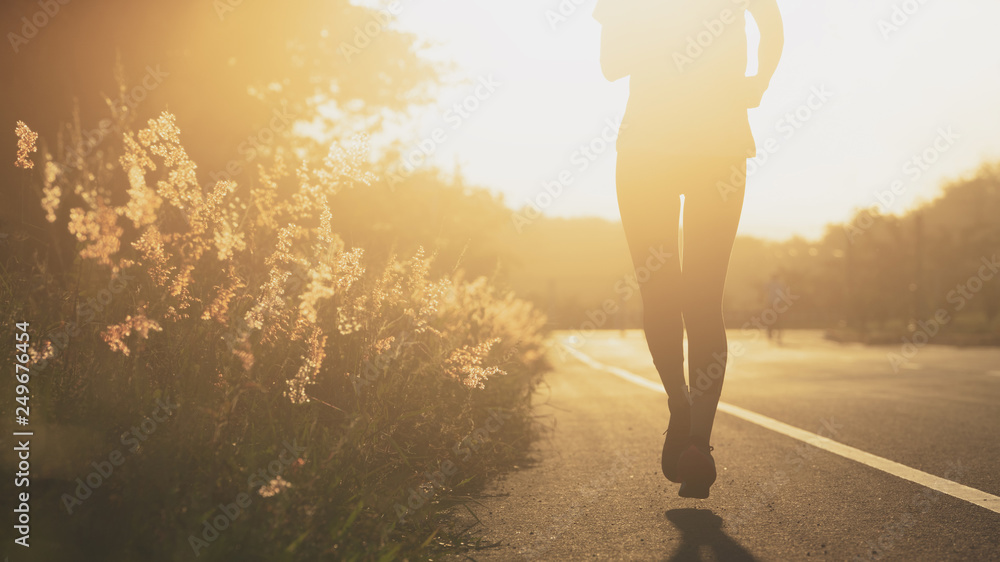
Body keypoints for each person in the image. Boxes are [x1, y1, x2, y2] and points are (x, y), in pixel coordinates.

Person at [594, 0, 783, 498]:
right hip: (690, 150)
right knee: (690, 299)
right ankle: (693, 429)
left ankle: (686, 417)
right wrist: (754, 78)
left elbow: (612, 62)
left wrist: (759, 80)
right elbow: (612, 64)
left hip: (665, 151)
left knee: (674, 297)